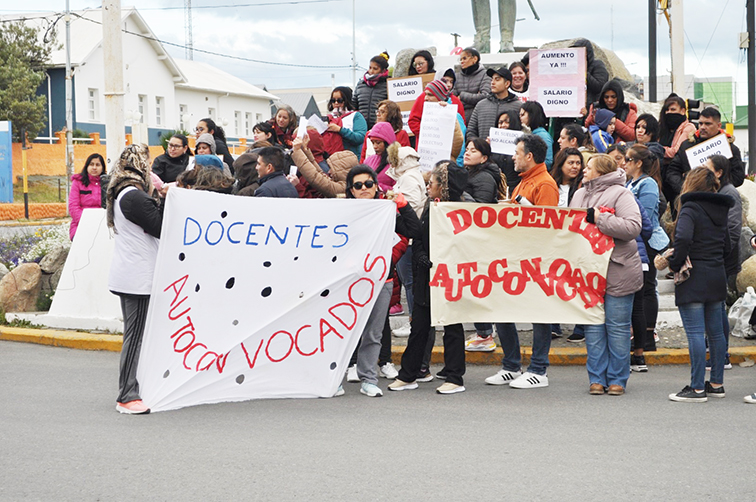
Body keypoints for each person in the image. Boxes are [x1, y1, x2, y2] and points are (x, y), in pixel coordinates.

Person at [482, 135, 559, 388]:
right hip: (514, 257)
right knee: (502, 309)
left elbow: (547, 225)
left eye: (517, 152)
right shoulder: (523, 182)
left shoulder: (545, 184)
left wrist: (524, 209)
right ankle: (512, 366)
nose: (512, 156)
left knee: (539, 313)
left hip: (535, 260)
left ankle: (538, 369)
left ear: (530, 156)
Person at [339, 164, 421, 397]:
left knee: (374, 334)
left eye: (368, 184)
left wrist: (403, 206)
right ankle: (335, 379)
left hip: (381, 281)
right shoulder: (344, 214)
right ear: (351, 190)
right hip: (350, 282)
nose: (364, 188)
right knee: (345, 332)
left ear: (376, 187)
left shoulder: (388, 211)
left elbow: (414, 231)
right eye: (358, 185)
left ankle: (369, 379)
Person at [389, 161, 470, 395]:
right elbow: (418, 233)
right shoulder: (431, 206)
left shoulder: (458, 211)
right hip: (427, 275)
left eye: (432, 183)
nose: (428, 186)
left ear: (443, 186)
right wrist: (422, 252)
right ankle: (408, 374)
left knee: (452, 326)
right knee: (420, 326)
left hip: (447, 277)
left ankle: (455, 377)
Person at [570, 154, 642, 395]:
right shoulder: (579, 194)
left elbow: (633, 227)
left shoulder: (622, 194)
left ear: (600, 171)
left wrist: (601, 218)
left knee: (617, 327)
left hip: (618, 269)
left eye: (588, 167)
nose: (583, 170)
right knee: (593, 327)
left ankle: (618, 380)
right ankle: (596, 379)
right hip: (589, 271)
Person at [667, 168, 732, 402]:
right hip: (716, 273)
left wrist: (675, 263)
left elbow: (683, 238)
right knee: (716, 333)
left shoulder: (690, 207)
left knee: (695, 332)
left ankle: (696, 388)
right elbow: (728, 245)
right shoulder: (721, 209)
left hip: (694, 275)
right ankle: (716, 384)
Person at [106, 144, 160, 415]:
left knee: (137, 335)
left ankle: (135, 388)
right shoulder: (133, 197)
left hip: (133, 275)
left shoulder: (126, 192)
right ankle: (127, 395)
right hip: (137, 278)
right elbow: (161, 225)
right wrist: (161, 197)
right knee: (135, 336)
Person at [624, 144, 669, 372]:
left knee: (647, 289)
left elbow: (646, 217)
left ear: (638, 163)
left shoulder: (648, 183)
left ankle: (648, 336)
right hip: (635, 241)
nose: (624, 163)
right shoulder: (629, 183)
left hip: (648, 243)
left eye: (628, 159)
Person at [666, 107, 745, 210]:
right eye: (700, 123)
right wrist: (685, 187)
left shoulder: (731, 149)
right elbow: (672, 171)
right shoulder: (687, 146)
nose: (702, 127)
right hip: (690, 202)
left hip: (717, 203)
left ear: (719, 125)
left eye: (708, 124)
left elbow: (738, 176)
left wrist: (713, 188)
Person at [705, 154, 742, 370]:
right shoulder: (714, 192)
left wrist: (717, 251)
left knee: (718, 308)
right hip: (715, 259)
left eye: (708, 169)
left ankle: (721, 355)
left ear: (719, 173)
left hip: (722, 260)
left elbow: (733, 229)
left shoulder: (729, 194)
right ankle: (716, 352)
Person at [548, 147, 584, 338]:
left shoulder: (584, 187)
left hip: (576, 240)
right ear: (561, 164)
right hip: (554, 241)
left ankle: (580, 327)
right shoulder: (551, 185)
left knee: (577, 283)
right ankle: (553, 325)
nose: (575, 167)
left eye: (578, 163)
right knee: (553, 282)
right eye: (571, 162)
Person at [290, 133, 358, 197]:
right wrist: (305, 150)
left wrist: (297, 151)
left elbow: (316, 177)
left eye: (332, 168)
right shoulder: (343, 184)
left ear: (343, 170)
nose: (329, 171)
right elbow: (319, 173)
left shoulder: (343, 188)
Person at [466, 66, 521, 141]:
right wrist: (480, 146)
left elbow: (524, 131)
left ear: (507, 84)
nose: (492, 82)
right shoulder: (481, 105)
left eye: (497, 79)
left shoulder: (518, 106)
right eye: (492, 79)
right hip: (484, 152)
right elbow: (471, 131)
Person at [69, 153, 106, 240]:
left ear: (102, 168)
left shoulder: (107, 183)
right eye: (91, 164)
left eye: (98, 165)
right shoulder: (78, 182)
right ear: (87, 166)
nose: (94, 167)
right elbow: (73, 206)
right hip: (81, 225)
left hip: (102, 225)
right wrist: (87, 222)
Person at [324, 86, 367, 158]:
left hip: (350, 159)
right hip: (331, 159)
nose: (336, 103)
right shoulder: (329, 117)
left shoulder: (356, 116)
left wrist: (340, 130)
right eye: (333, 100)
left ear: (347, 100)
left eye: (340, 100)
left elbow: (360, 138)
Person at [453, 47, 491, 124]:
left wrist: (462, 96)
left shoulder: (485, 75)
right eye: (460, 59)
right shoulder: (456, 77)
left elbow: (485, 96)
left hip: (479, 119)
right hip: (459, 119)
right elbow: (454, 99)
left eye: (464, 58)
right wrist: (475, 97)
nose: (462, 61)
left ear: (475, 59)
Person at [354, 51, 390, 130]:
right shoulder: (361, 84)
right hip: (361, 127)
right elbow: (354, 105)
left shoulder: (388, 84)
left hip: (381, 127)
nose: (371, 71)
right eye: (370, 68)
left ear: (383, 70)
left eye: (375, 69)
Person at [489, 110, 522, 195]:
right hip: (495, 189)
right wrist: (486, 149)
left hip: (516, 188)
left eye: (507, 122)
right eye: (500, 122)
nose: (503, 125)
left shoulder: (523, 144)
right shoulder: (492, 144)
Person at [571, 39, 609, 108]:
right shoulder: (572, 68)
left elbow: (599, 86)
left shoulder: (597, 65)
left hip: (591, 109)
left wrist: (583, 72)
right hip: (574, 107)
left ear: (587, 52)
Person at [658, 94, 697, 162]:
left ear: (683, 111)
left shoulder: (688, 127)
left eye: (673, 109)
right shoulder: (662, 127)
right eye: (667, 110)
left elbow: (676, 151)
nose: (669, 112)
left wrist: (657, 149)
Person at [364, 122, 400, 192]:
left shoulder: (397, 162)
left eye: (378, 143)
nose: (375, 146)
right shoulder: (368, 161)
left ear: (387, 142)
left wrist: (380, 187)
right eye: (373, 142)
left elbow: (399, 188)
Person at [462, 138, 500, 203]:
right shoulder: (466, 173)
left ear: (484, 158)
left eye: (473, 151)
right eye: (466, 150)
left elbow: (481, 207)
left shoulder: (485, 178)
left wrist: (458, 192)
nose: (467, 153)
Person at [519, 100, 553, 168]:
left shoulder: (543, 136)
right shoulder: (525, 132)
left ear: (532, 115)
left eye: (523, 115)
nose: (520, 117)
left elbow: (548, 161)